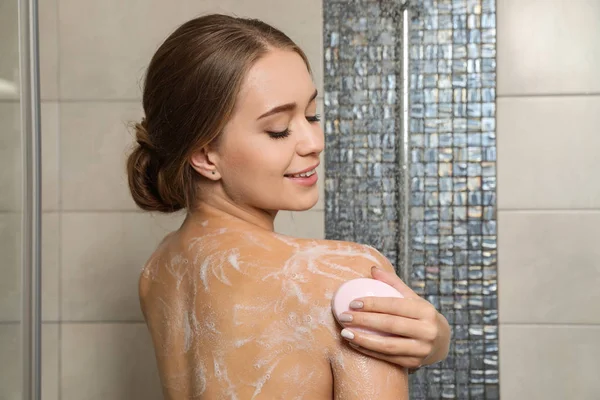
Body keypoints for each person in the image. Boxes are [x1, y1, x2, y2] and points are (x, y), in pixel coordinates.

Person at [127, 13, 450, 399]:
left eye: (312, 115)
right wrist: (438, 340)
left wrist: (438, 339)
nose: (314, 141)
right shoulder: (341, 276)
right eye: (278, 128)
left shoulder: (159, 270)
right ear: (205, 155)